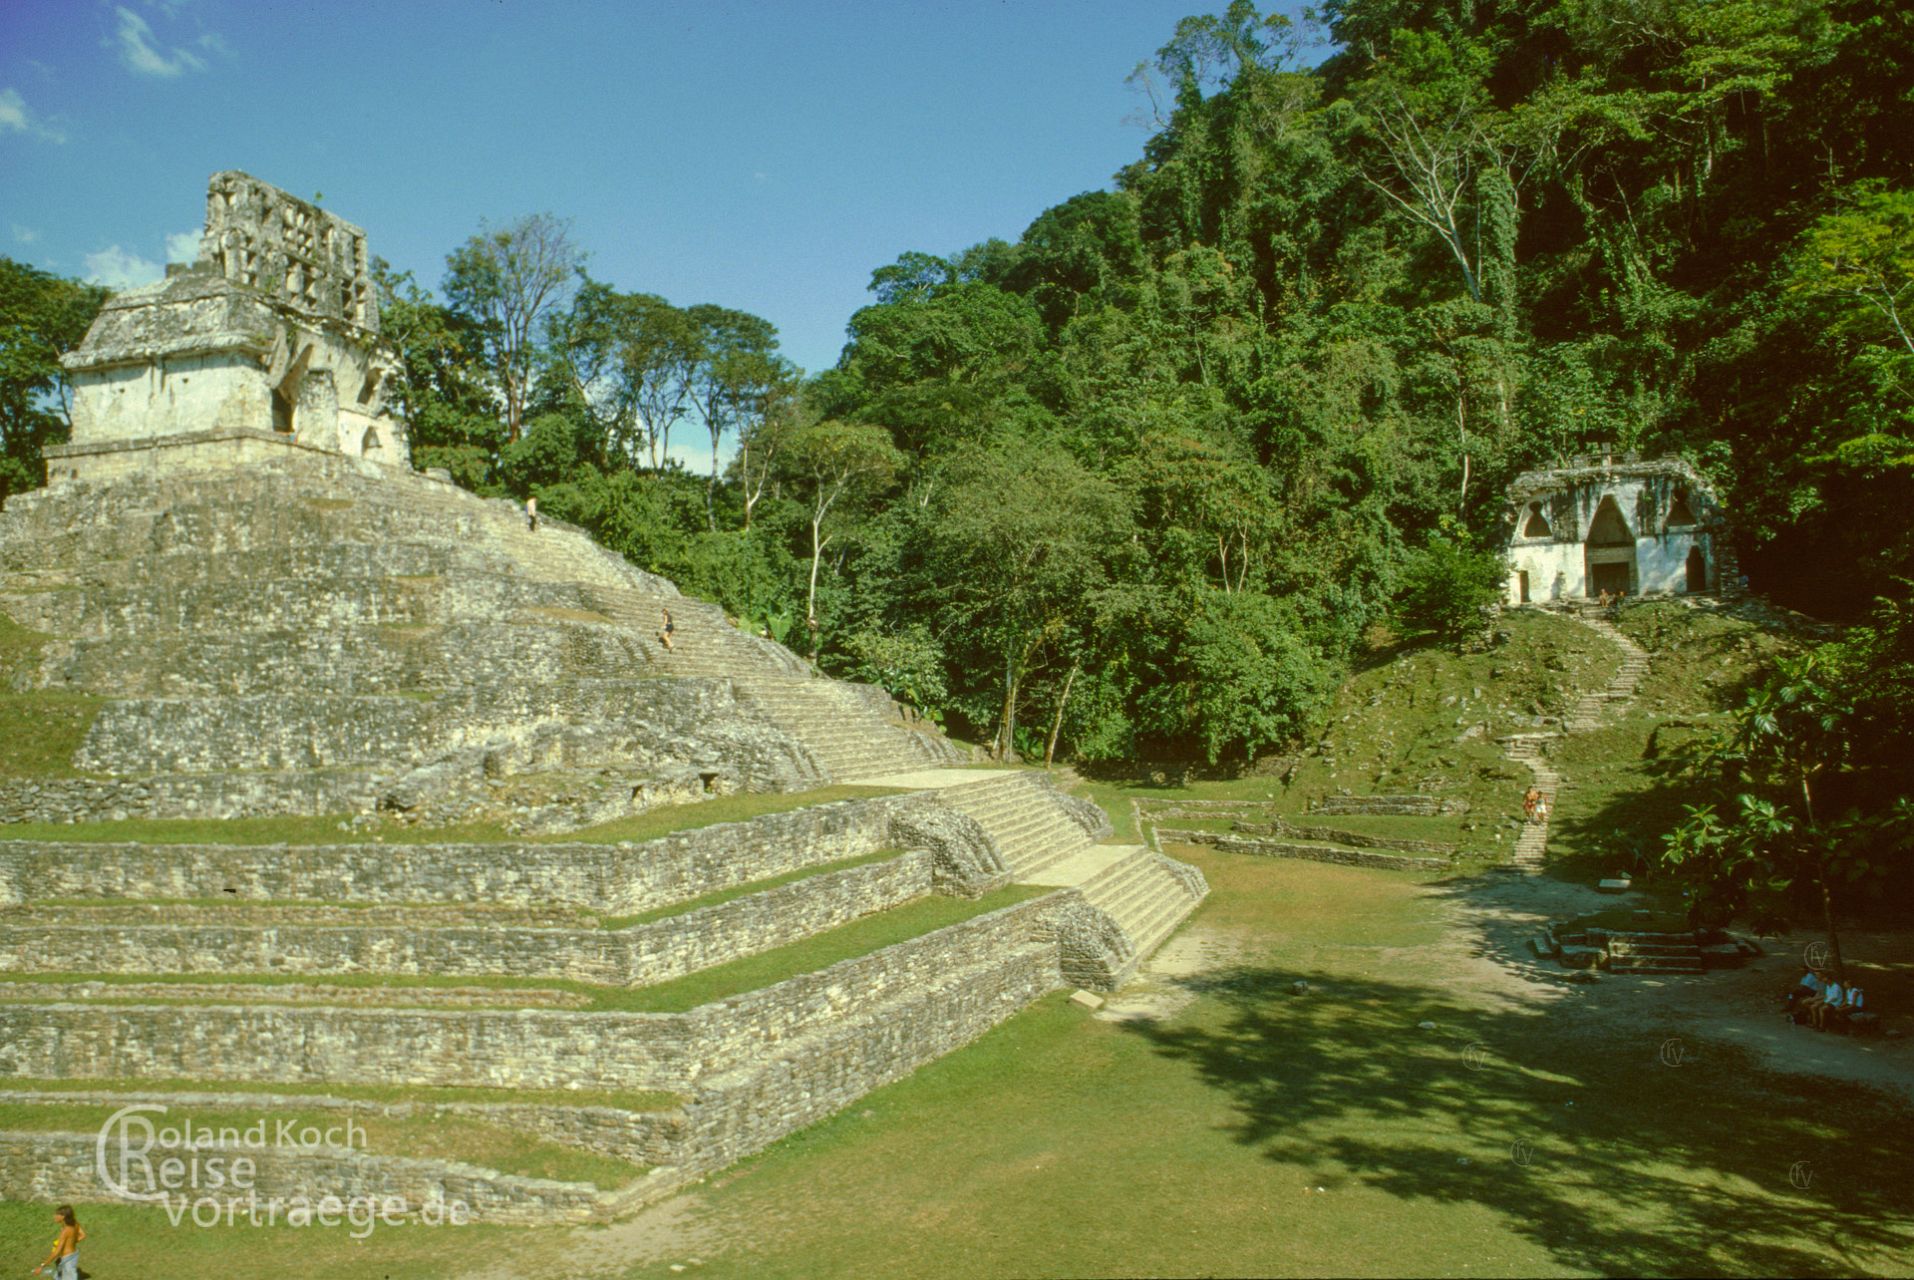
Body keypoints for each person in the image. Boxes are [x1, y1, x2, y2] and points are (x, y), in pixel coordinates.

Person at [34, 1205, 82, 1279]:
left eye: (57, 1214)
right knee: (59, 1276)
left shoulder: (65, 1231)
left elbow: (56, 1252)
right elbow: (83, 1235)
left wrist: (42, 1266)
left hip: (67, 1259)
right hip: (73, 1255)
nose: (54, 1216)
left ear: (63, 1216)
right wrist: (70, 1243)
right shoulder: (75, 1224)